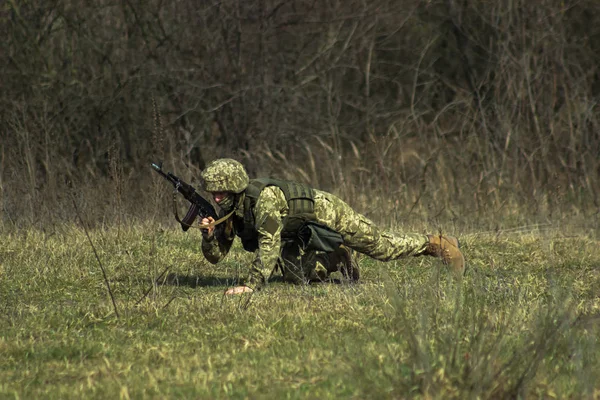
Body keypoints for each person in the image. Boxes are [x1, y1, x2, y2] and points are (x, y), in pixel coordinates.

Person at [199, 158, 465, 295]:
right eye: (214, 192)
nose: (217, 197)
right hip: (296, 231)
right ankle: (336, 258)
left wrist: (252, 285)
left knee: (381, 247)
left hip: (327, 212)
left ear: (234, 185)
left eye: (221, 191)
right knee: (295, 278)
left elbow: (270, 245)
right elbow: (216, 257)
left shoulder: (263, 200)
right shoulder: (231, 208)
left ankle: (435, 243)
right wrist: (209, 236)